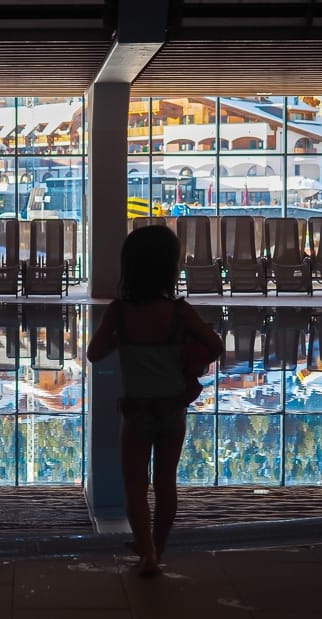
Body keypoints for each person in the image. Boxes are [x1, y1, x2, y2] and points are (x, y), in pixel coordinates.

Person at [86, 225, 223, 577]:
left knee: (134, 482)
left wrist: (122, 342)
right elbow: (217, 345)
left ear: (129, 267)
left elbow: (93, 353)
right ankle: (158, 550)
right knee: (165, 482)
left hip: (137, 411)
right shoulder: (180, 312)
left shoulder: (118, 312)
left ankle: (144, 549)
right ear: (169, 269)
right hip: (172, 408)